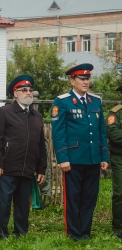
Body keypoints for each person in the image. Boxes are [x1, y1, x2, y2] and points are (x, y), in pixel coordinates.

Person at [51, 63, 109, 241]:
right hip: (73, 158)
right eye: (82, 79)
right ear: (72, 80)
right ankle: (74, 233)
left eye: (87, 79)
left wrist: (104, 156)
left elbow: (101, 132)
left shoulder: (95, 101)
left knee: (89, 197)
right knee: (73, 197)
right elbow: (58, 132)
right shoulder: (62, 101)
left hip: (92, 158)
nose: (86, 82)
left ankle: (85, 232)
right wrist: (63, 158)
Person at [0, 74, 47, 238]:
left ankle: (21, 232)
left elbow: (40, 144)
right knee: (4, 202)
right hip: (7, 167)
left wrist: (41, 168)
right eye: (24, 90)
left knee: (23, 203)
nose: (28, 93)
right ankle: (0, 232)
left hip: (28, 168)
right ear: (15, 93)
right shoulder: (4, 112)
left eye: (30, 90)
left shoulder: (37, 116)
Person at [106, 85, 122, 238]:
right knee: (120, 192)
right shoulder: (115, 113)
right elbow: (114, 135)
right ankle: (118, 227)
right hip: (120, 158)